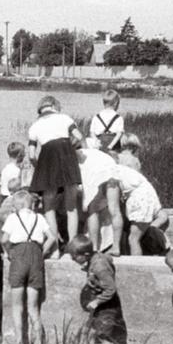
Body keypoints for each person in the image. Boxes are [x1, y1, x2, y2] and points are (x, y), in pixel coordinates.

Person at [1, 190, 57, 344]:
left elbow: (4, 239)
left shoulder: (13, 218)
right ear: (31, 204)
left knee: (17, 306)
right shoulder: (39, 218)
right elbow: (52, 237)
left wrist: (8, 252)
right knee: (33, 307)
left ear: (17, 205)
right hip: (35, 255)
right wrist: (42, 251)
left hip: (19, 254)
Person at [27, 95, 84, 255]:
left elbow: (31, 154)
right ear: (54, 106)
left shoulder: (34, 126)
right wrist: (68, 149)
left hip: (47, 159)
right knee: (71, 207)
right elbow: (79, 137)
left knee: (49, 208)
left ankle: (55, 249)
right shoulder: (64, 118)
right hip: (67, 158)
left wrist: (39, 169)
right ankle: (73, 247)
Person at [68, 235, 127, 344]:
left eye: (74, 257)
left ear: (86, 254)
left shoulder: (100, 267)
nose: (72, 260)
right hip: (101, 305)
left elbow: (111, 289)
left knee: (104, 336)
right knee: (92, 334)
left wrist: (97, 302)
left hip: (107, 306)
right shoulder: (94, 260)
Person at [112, 163, 169, 256]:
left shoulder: (111, 173)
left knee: (133, 239)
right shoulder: (125, 173)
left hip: (140, 200)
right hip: (145, 199)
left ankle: (136, 265)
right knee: (134, 237)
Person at [77, 146, 124, 255]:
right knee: (115, 210)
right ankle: (116, 247)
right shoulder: (93, 152)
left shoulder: (71, 156)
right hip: (111, 169)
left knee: (92, 211)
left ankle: (94, 247)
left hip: (95, 172)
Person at [91, 89, 125, 154]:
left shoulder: (96, 116)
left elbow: (92, 132)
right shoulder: (119, 118)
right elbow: (119, 134)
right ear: (116, 103)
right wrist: (111, 146)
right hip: (114, 147)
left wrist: (96, 141)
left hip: (100, 145)